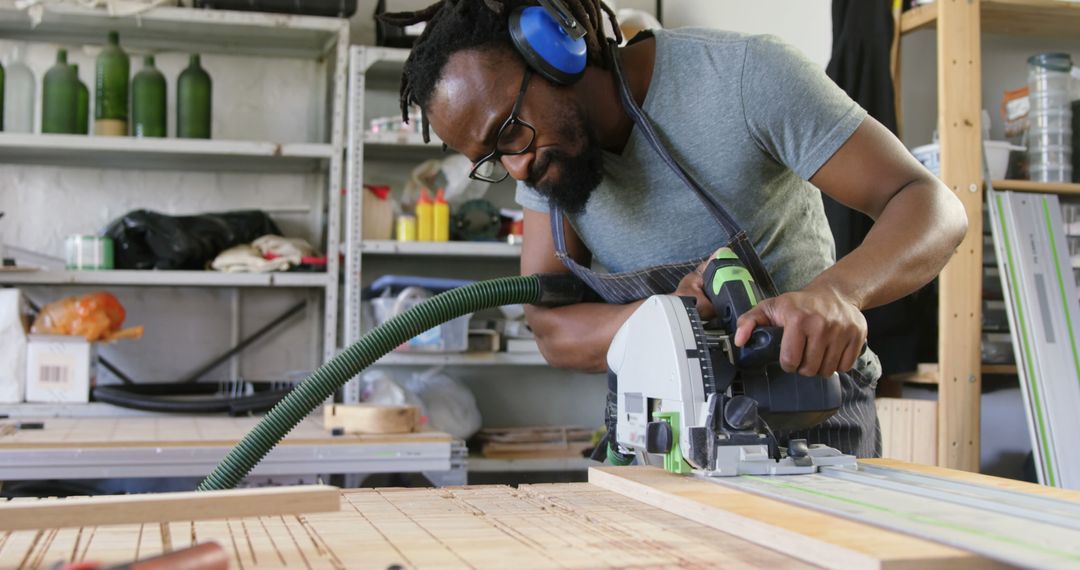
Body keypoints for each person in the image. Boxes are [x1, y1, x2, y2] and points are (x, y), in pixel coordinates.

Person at [379, 0, 967, 458]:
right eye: (491, 159)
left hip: (810, 419)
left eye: (508, 132)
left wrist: (837, 294)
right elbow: (553, 330)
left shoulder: (743, 76)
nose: (516, 167)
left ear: (555, 50)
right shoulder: (547, 159)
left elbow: (930, 205)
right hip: (660, 434)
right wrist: (669, 317)